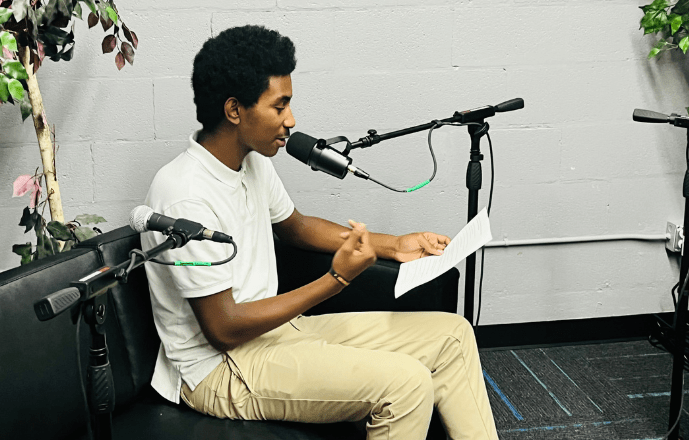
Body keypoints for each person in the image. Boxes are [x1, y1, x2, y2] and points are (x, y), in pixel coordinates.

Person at [141, 24, 499, 440]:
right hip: (218, 368)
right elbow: (224, 328)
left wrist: (393, 244)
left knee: (453, 335)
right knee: (406, 382)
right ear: (235, 110)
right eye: (280, 107)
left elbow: (296, 226)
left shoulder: (253, 161)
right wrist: (337, 279)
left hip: (276, 333)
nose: (291, 120)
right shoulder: (183, 196)